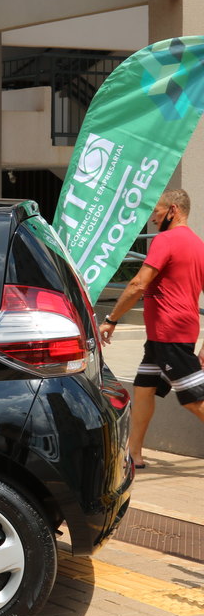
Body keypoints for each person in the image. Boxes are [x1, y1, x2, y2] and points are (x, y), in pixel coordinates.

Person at [99, 189, 204, 468]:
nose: (153, 218)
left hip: (170, 335)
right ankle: (134, 454)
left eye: (156, 211)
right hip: (166, 335)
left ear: (173, 210)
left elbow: (138, 284)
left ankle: (133, 453)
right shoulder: (197, 244)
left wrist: (112, 319)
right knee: (143, 389)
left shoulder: (165, 240)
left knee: (194, 399)